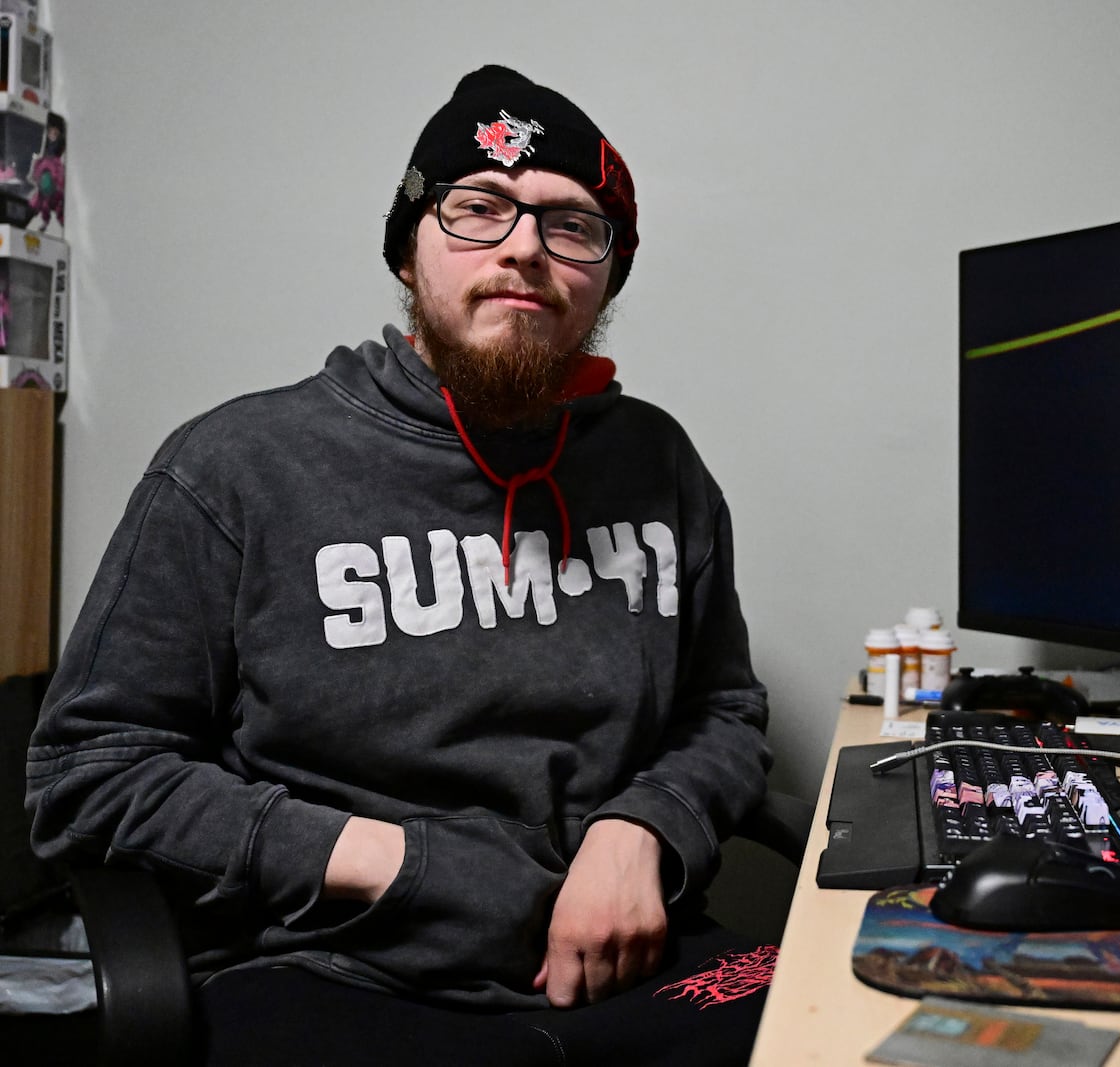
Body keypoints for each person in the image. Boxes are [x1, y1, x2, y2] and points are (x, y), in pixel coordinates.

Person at [26, 65, 774, 1066]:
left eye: (573, 225)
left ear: (607, 274)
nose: (523, 247)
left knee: (889, 1023)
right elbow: (90, 773)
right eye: (479, 209)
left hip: (627, 967)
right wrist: (392, 861)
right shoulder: (237, 466)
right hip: (335, 975)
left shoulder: (656, 460)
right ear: (407, 249)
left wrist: (641, 829)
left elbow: (720, 709)